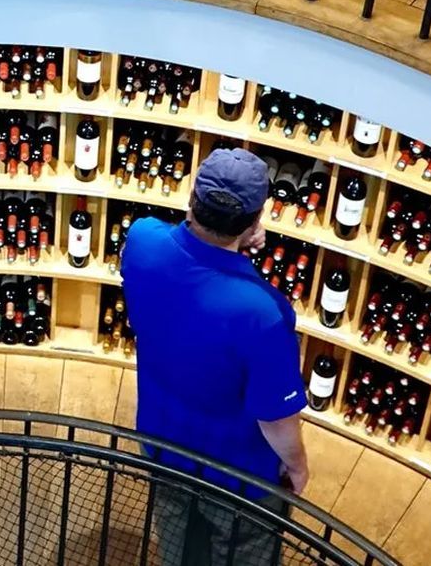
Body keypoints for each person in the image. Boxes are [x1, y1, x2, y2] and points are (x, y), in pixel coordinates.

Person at [119, 146, 309, 566]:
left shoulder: (140, 241)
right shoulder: (265, 313)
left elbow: (180, 245)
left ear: (191, 197)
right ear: (256, 220)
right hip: (238, 479)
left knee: (179, 552)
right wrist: (297, 467)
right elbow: (276, 421)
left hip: (161, 444)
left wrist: (233, 239)